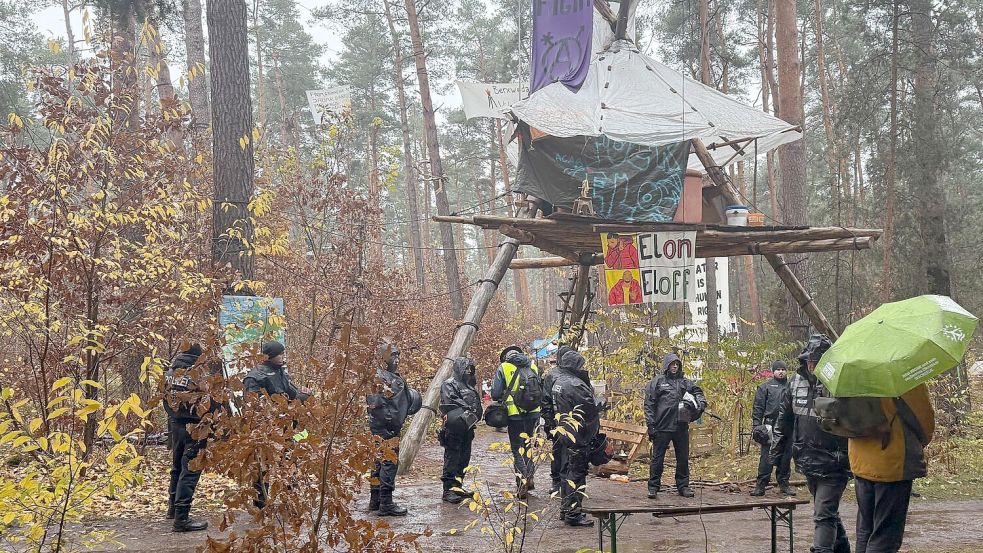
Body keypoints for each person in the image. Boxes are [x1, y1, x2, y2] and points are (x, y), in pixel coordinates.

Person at [771, 334, 851, 553]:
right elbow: (784, 420)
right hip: (807, 460)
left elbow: (855, 422)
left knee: (823, 514)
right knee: (828, 513)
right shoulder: (795, 383)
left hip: (835, 462)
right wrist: (776, 455)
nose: (812, 365)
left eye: (817, 360)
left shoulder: (842, 382)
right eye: (810, 360)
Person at [850, 383, 935, 553]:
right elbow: (923, 419)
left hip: (860, 460)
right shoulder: (902, 377)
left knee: (865, 530)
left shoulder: (853, 376)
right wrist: (919, 443)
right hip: (891, 462)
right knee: (885, 536)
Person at [243, 340, 310, 509]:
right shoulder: (255, 377)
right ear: (270, 356)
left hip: (286, 428)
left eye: (283, 353)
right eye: (279, 354)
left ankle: (290, 500)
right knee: (262, 467)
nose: (282, 357)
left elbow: (291, 394)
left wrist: (303, 396)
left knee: (288, 462)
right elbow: (255, 407)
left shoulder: (281, 372)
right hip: (265, 430)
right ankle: (261, 505)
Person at [163, 343, 220, 532]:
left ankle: (173, 509)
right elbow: (210, 403)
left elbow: (164, 398)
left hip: (176, 425)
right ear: (198, 356)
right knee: (190, 471)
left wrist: (174, 416)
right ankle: (181, 519)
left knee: (177, 466)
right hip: (195, 427)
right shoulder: (199, 375)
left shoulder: (170, 373)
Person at [365, 342, 421, 516]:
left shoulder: (387, 376)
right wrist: (391, 425)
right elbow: (378, 404)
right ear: (384, 357)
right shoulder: (380, 378)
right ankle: (385, 502)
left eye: (398, 356)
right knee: (387, 463)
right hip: (385, 428)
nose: (396, 360)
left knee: (378, 463)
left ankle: (376, 500)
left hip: (384, 427)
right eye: (393, 356)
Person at [550, 349, 603, 527]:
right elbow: (590, 408)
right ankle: (573, 513)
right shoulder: (575, 384)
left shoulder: (558, 382)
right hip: (578, 434)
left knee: (567, 472)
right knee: (577, 474)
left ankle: (566, 510)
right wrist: (600, 403)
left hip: (565, 432)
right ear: (576, 366)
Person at [644, 352, 707, 499]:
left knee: (683, 458)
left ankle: (683, 486)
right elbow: (649, 404)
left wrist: (700, 404)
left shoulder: (685, 383)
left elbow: (698, 393)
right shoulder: (657, 382)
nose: (674, 366)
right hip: (662, 426)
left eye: (677, 364)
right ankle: (653, 487)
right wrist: (651, 425)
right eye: (672, 364)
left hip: (681, 427)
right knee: (657, 458)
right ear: (666, 366)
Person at [491, 345, 542, 499]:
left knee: (517, 449)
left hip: (515, 415)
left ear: (506, 357)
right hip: (533, 413)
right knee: (527, 446)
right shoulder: (532, 365)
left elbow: (495, 393)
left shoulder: (504, 367)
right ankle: (530, 477)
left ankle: (522, 484)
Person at [438, 357, 483, 504]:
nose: (469, 371)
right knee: (452, 457)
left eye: (470, 369)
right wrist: (468, 409)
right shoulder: (449, 384)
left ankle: (458, 486)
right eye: (466, 368)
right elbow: (451, 400)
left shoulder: (469, 385)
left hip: (468, 427)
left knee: (464, 457)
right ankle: (448, 489)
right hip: (454, 427)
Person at [750, 360, 795, 496]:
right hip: (769, 425)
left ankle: (784, 484)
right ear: (773, 371)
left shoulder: (791, 387)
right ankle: (761, 485)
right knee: (767, 457)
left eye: (783, 369)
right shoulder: (765, 387)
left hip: (787, 425)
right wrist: (757, 427)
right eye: (778, 369)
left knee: (786, 456)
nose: (781, 371)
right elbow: (758, 408)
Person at [541, 345, 573, 495]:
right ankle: (556, 481)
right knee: (558, 451)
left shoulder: (574, 374)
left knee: (567, 452)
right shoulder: (552, 376)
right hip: (557, 420)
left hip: (571, 421)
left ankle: (566, 481)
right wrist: (548, 422)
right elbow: (546, 400)